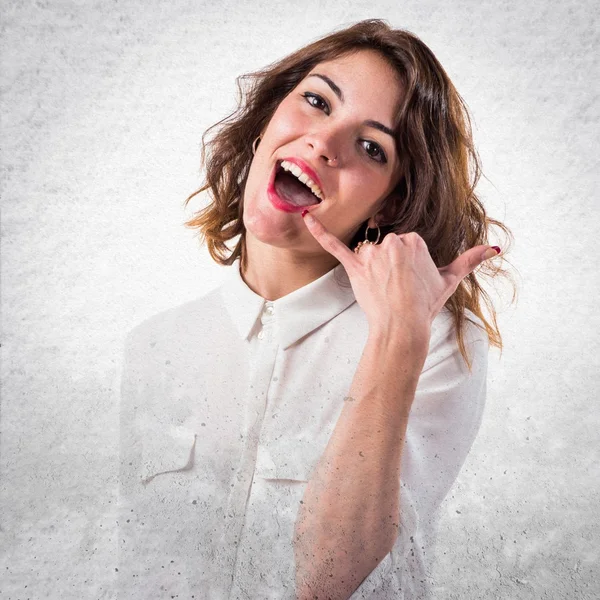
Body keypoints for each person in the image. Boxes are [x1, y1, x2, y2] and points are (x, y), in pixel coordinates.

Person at [117, 18, 512, 600]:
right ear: (265, 125)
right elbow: (137, 560)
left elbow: (328, 577)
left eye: (372, 147)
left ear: (389, 202)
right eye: (316, 101)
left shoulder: (435, 342)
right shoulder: (154, 344)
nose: (323, 143)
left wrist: (397, 340)